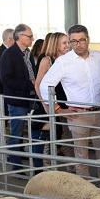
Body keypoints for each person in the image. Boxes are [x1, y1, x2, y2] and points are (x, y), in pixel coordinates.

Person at [39, 24, 100, 179]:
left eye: (81, 40)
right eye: (73, 41)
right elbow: (45, 84)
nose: (78, 44)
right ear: (70, 42)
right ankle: (84, 194)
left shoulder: (99, 57)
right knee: (81, 157)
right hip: (77, 114)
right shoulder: (63, 62)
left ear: (88, 40)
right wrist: (58, 109)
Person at [0, 23, 38, 171]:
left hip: (30, 98)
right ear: (20, 36)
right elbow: (6, 79)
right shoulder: (9, 54)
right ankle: (15, 165)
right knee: (16, 132)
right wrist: (30, 84)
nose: (32, 38)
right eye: (29, 36)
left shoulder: (27, 53)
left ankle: (27, 159)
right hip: (17, 100)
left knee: (27, 130)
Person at [34, 32, 70, 166]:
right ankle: (44, 171)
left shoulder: (68, 59)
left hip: (63, 105)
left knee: (62, 137)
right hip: (49, 105)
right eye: (64, 43)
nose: (68, 45)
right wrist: (46, 106)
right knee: (49, 138)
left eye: (68, 42)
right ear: (56, 44)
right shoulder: (47, 60)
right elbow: (38, 84)